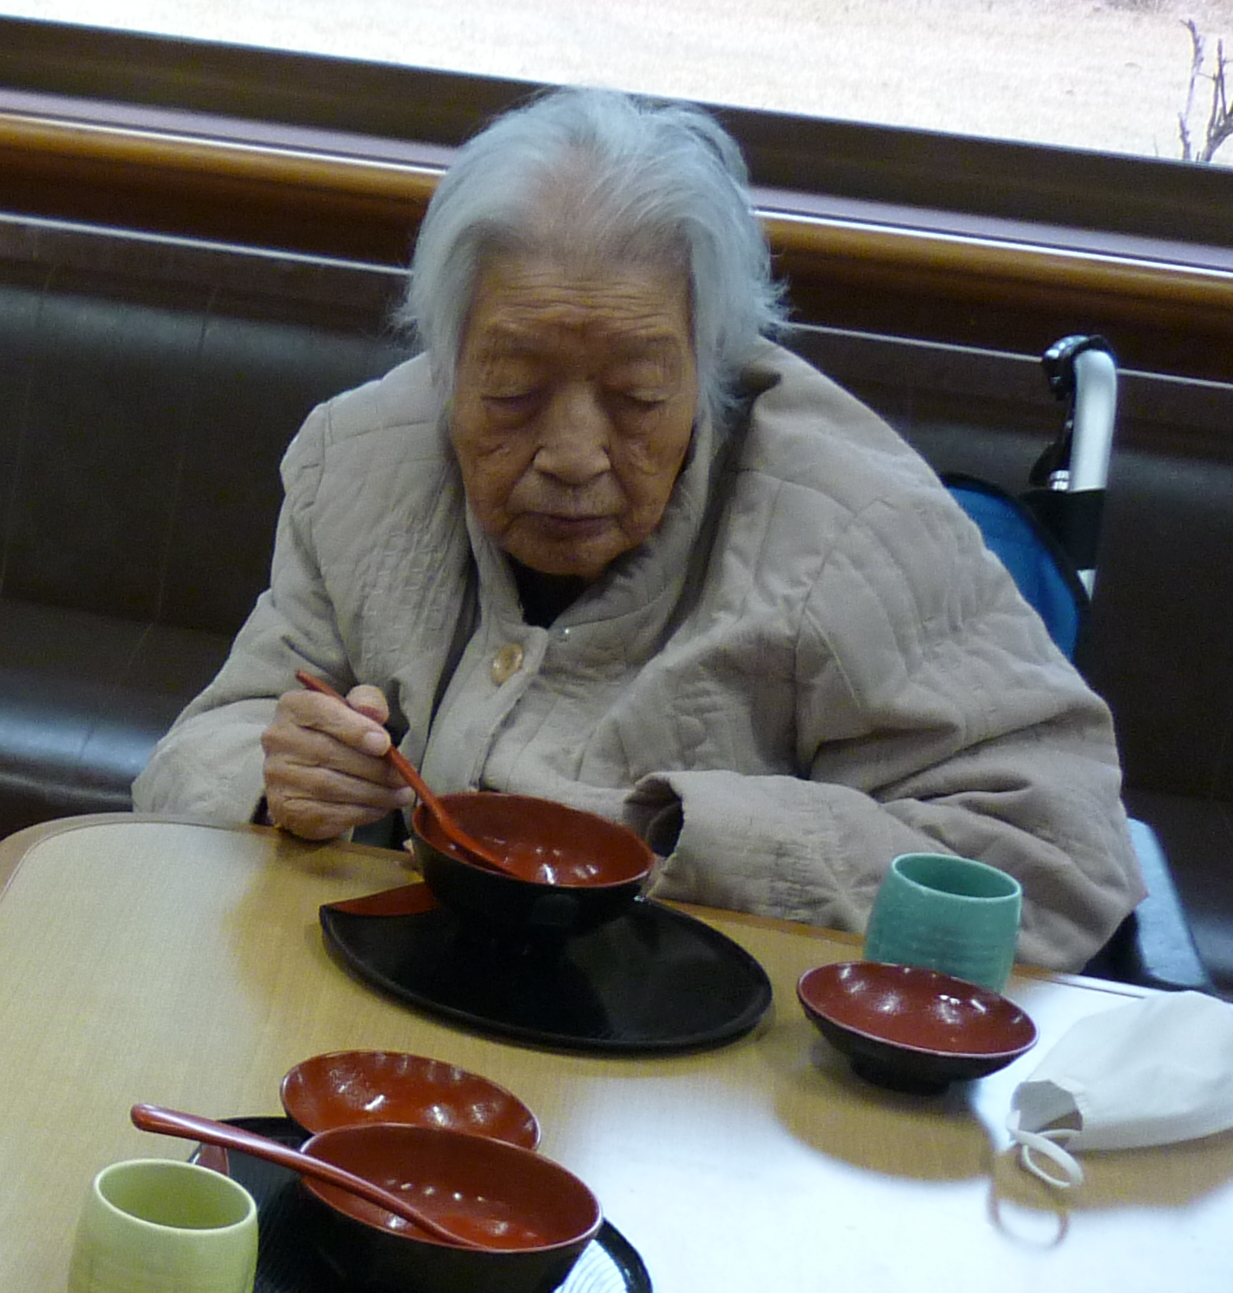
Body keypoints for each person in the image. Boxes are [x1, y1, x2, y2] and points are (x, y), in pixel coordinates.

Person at [135, 87, 1140, 970]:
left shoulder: (854, 524)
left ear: (713, 363)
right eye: (513, 389)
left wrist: (690, 838)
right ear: (446, 357)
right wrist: (279, 780)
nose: (574, 454)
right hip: (382, 1011)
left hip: (708, 1063)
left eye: (639, 395)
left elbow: (1060, 860)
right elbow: (200, 750)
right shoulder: (359, 462)